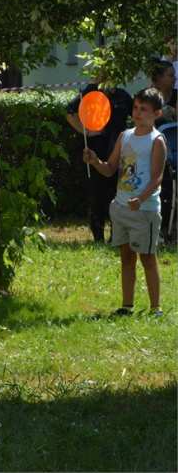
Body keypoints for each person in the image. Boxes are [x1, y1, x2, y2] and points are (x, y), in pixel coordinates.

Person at [83, 87, 166, 318]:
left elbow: (158, 176)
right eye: (136, 108)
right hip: (121, 208)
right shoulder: (125, 136)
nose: (138, 113)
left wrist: (140, 198)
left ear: (157, 114)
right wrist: (94, 161)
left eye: (144, 109)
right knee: (127, 257)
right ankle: (126, 306)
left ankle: (155, 307)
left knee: (148, 258)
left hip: (145, 210)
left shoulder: (156, 140)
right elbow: (109, 169)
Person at [66, 75, 133, 242]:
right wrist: (86, 132)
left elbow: (136, 115)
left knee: (117, 192)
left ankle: (115, 235)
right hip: (97, 150)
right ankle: (98, 236)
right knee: (97, 194)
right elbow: (70, 111)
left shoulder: (122, 96)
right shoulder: (90, 92)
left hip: (119, 150)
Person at [149, 59, 176, 241]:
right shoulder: (147, 97)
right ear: (158, 78)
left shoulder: (176, 96)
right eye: (170, 75)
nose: (174, 79)